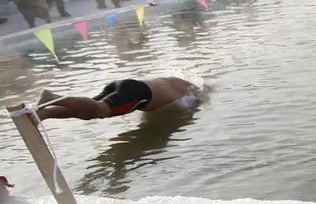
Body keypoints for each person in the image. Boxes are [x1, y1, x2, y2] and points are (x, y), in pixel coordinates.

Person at [33, 77, 198, 121]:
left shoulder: (172, 81)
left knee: (88, 113)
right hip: (140, 94)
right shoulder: (189, 91)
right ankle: (53, 98)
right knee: (100, 110)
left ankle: (45, 114)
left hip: (128, 86)